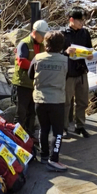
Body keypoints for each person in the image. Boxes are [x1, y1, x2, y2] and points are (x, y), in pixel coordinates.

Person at [27, 31, 68, 171]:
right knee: (57, 131)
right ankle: (54, 159)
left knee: (43, 128)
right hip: (57, 100)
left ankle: (44, 155)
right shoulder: (64, 60)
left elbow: (30, 75)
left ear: (46, 43)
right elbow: (68, 75)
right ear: (61, 45)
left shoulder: (38, 58)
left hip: (40, 99)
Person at [11, 20, 50, 136]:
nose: (43, 38)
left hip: (35, 85)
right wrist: (38, 66)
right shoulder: (24, 44)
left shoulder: (42, 45)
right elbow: (21, 62)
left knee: (32, 113)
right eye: (42, 35)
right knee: (21, 114)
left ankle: (29, 136)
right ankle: (17, 138)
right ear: (34, 33)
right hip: (22, 85)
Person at [62, 7, 94, 138]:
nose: (82, 23)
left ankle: (80, 126)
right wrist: (66, 52)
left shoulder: (85, 33)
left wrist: (90, 55)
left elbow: (90, 49)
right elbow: (56, 52)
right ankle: (63, 128)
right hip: (68, 73)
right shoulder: (63, 34)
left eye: (83, 21)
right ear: (71, 20)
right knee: (66, 102)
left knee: (83, 101)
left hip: (81, 71)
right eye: (80, 21)